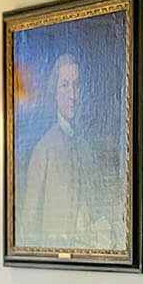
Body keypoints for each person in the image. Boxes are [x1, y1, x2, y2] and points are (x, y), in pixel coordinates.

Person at [18, 51, 120, 251]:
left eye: (76, 85)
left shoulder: (87, 149)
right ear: (55, 92)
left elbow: (100, 207)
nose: (72, 95)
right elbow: (29, 223)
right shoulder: (44, 149)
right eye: (65, 85)